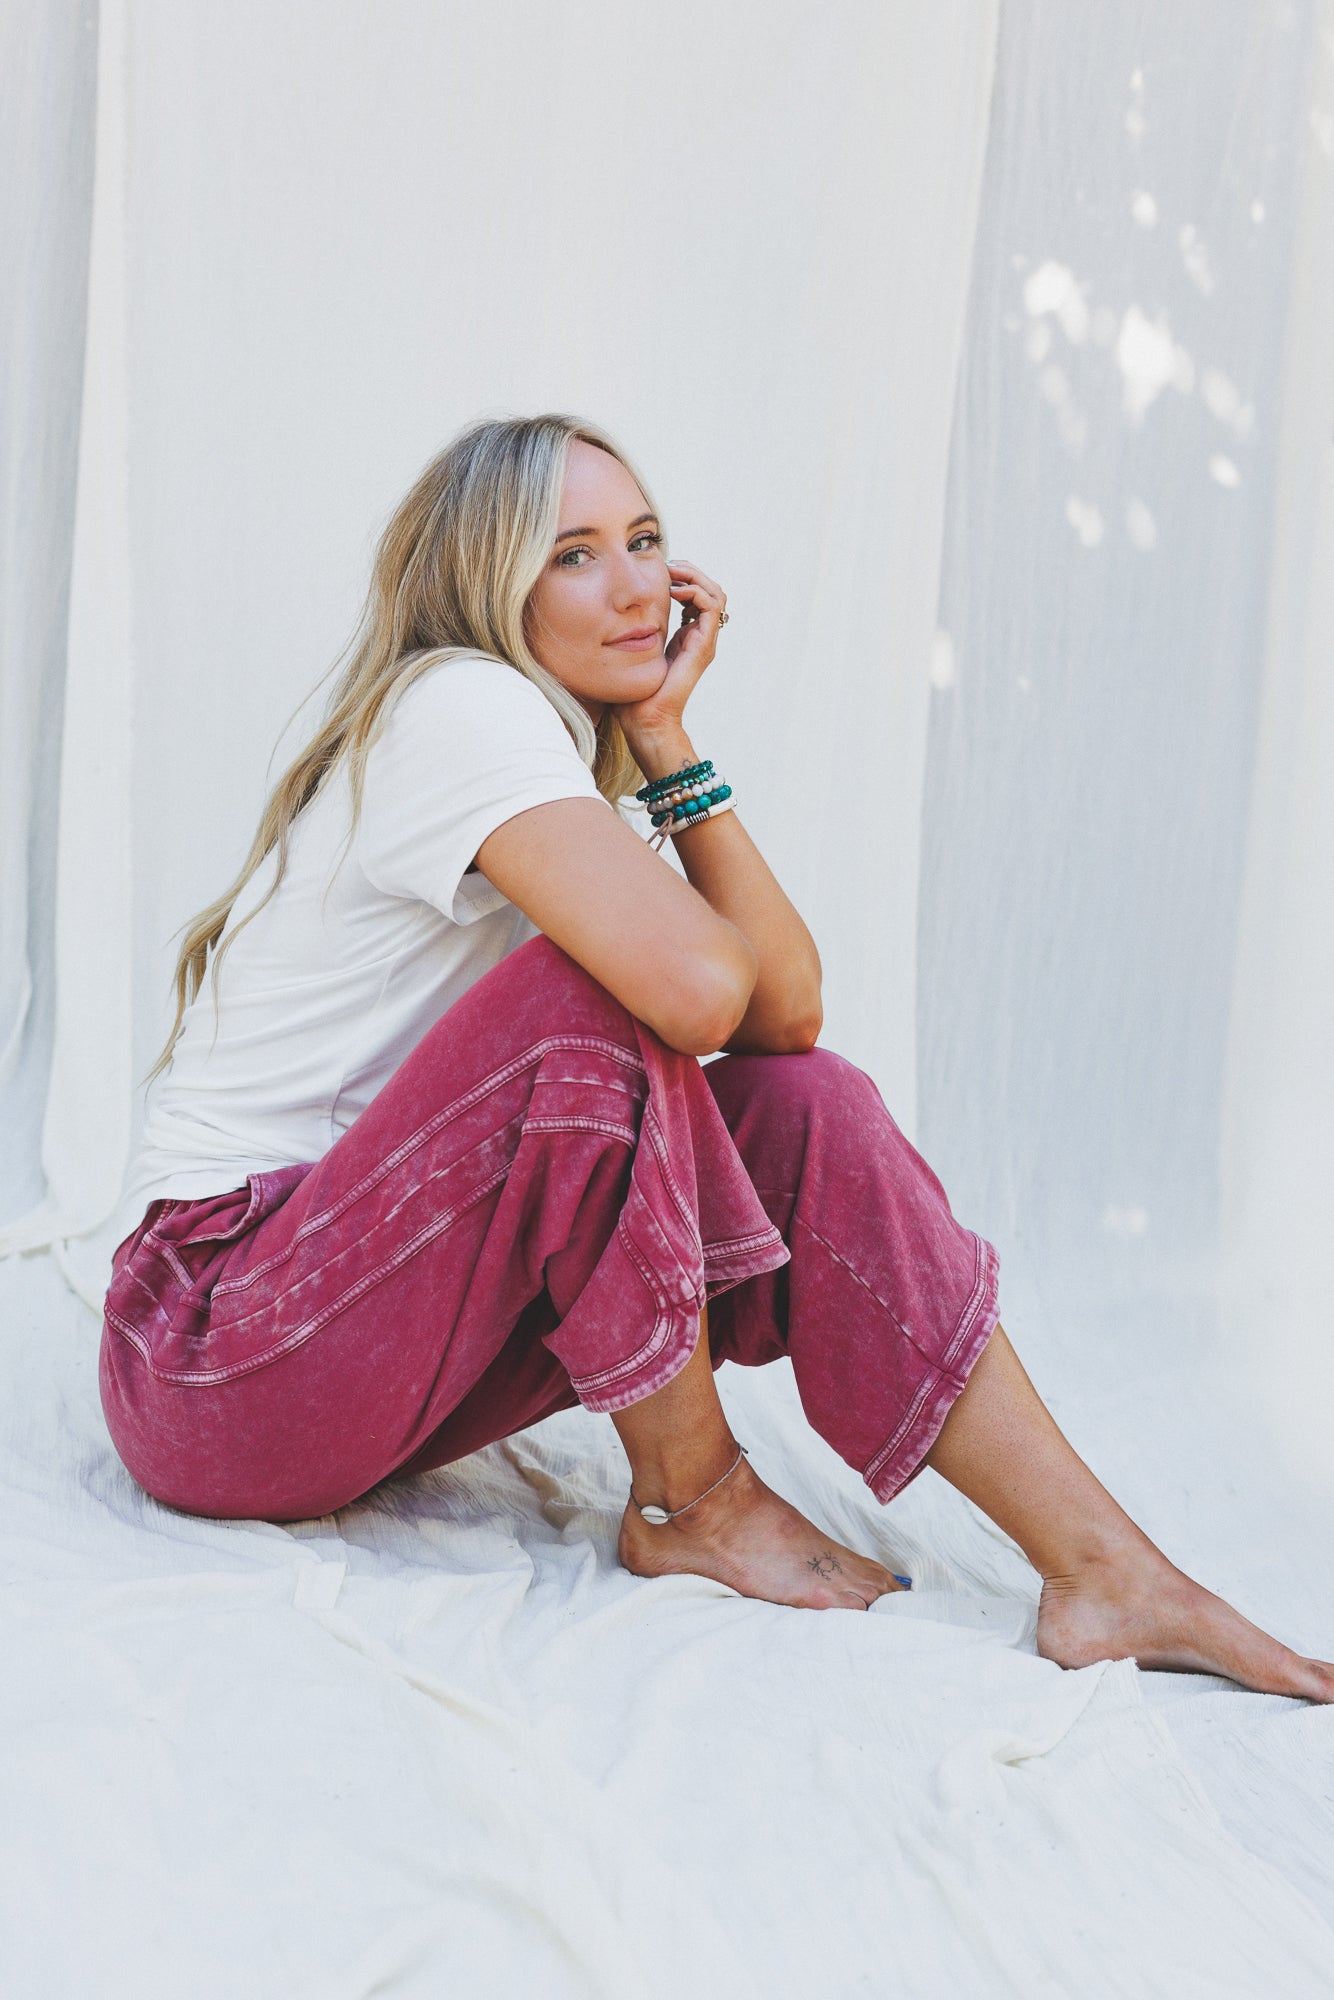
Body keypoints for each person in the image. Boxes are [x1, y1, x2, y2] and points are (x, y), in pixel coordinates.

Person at [101, 412, 1331, 1701]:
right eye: (573, 555)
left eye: (644, 540)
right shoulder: (456, 707)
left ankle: (1104, 1570)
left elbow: (783, 1016)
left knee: (805, 1106)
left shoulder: (556, 759)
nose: (637, 585)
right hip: (208, 1343)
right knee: (588, 1006)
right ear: (483, 585)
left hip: (364, 1334)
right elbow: (692, 990)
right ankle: (692, 1498)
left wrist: (672, 745)